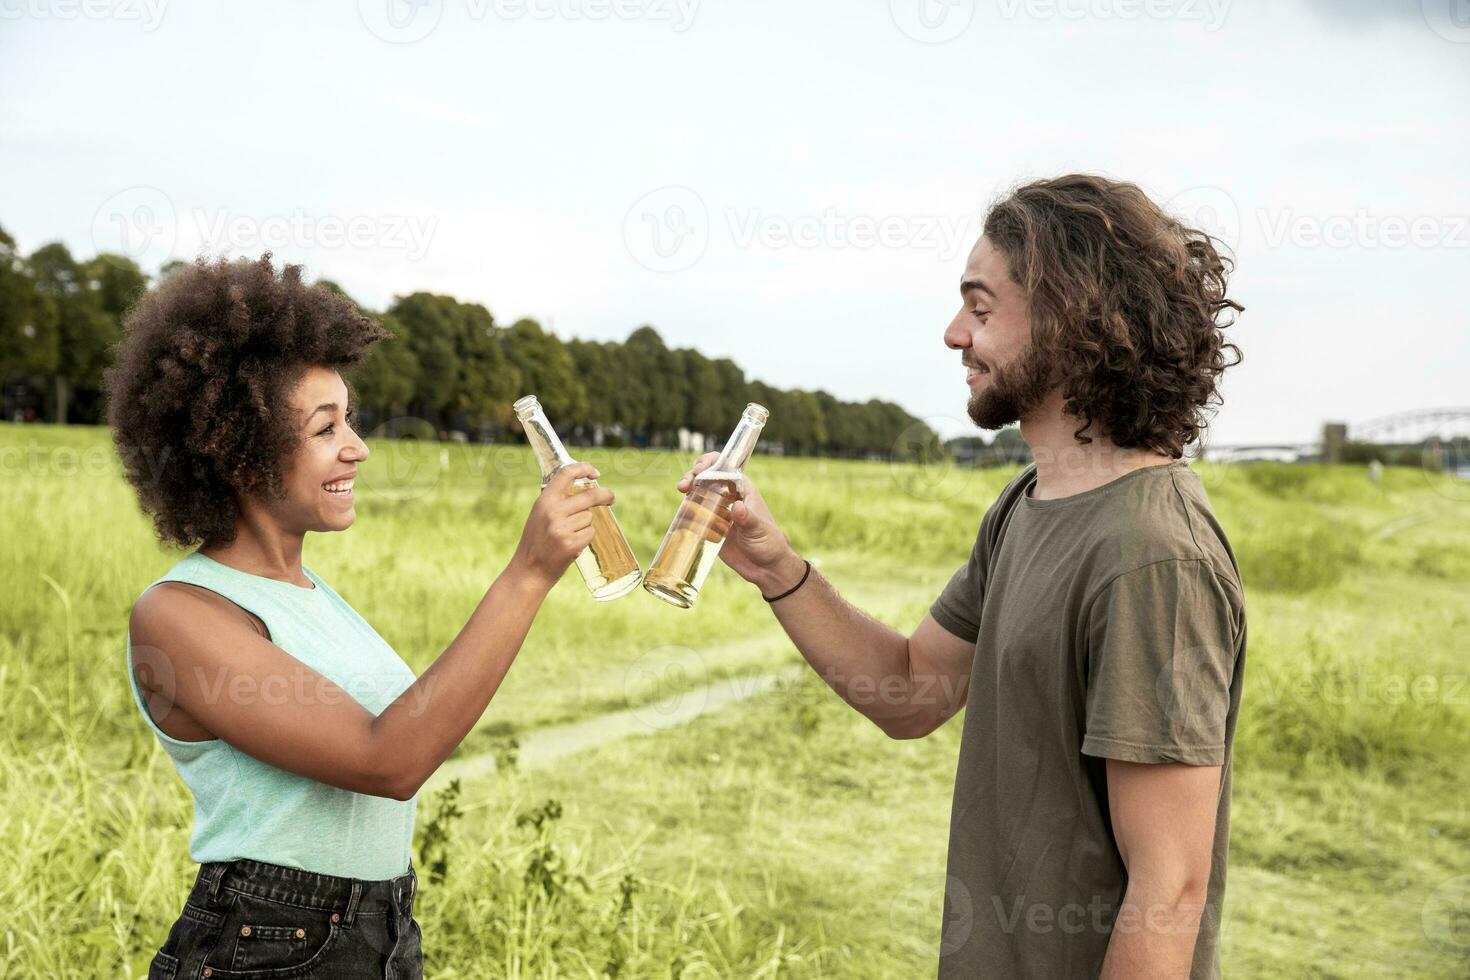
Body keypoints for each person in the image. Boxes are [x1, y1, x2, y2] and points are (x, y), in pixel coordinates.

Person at [676, 174, 1247, 979]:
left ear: (1073, 320)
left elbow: (1171, 888)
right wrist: (777, 566)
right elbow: (911, 693)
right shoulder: (1025, 504)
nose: (953, 334)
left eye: (980, 309)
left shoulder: (1153, 557)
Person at [106, 254, 611, 979]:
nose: (358, 448)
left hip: (382, 928)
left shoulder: (315, 596)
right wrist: (528, 574)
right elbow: (388, 760)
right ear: (241, 451)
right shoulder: (181, 614)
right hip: (272, 941)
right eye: (325, 428)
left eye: (352, 420)